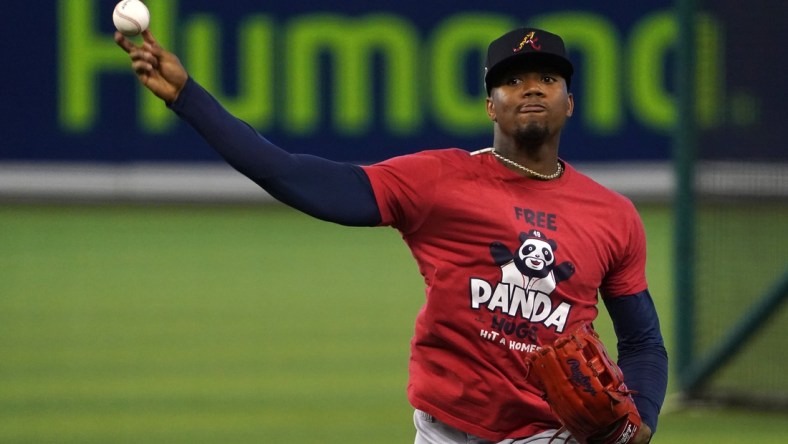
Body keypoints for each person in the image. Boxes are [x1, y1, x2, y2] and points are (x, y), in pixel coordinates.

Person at [115, 25, 668, 444]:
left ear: (569, 103)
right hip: (447, 428)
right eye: (511, 80)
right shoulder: (438, 181)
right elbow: (295, 176)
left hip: (550, 433)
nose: (530, 89)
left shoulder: (613, 215)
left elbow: (641, 339)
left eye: (548, 79)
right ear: (489, 105)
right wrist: (189, 99)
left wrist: (641, 414)